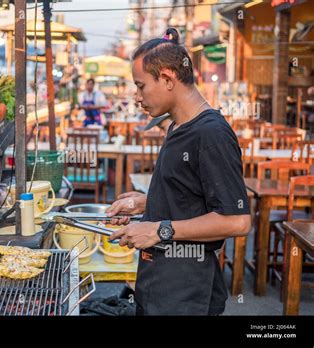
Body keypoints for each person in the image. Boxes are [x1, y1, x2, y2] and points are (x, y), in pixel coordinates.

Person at [106, 28, 251, 315]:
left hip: (185, 291)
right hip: (159, 282)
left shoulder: (211, 134)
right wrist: (145, 202)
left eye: (141, 86)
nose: (136, 97)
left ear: (168, 79)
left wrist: (158, 229)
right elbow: (192, 196)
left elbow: (237, 221)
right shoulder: (177, 126)